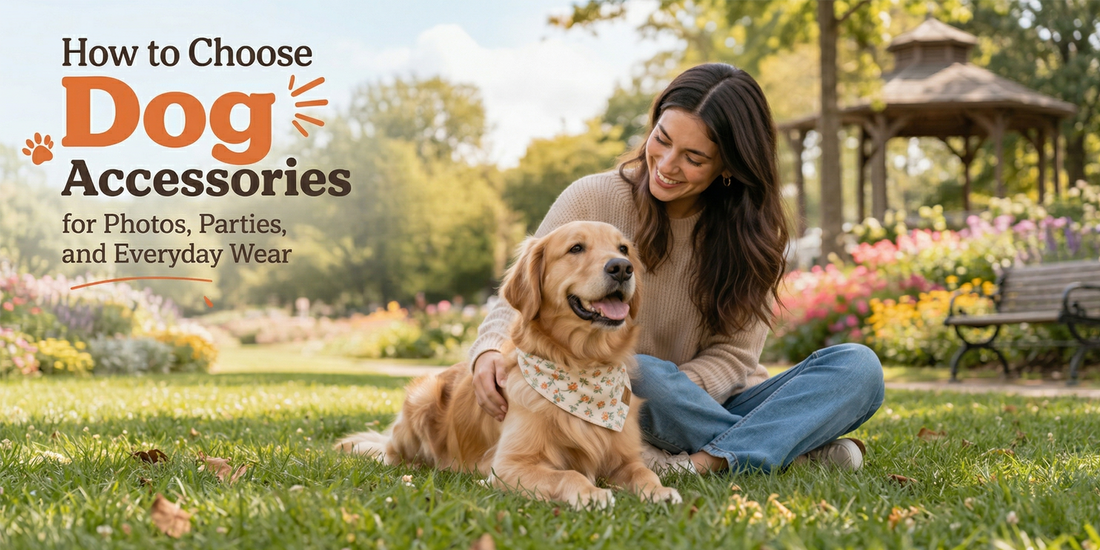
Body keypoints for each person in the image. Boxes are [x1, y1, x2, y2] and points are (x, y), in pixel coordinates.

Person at [468, 63, 884, 474]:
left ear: (728, 167)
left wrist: (678, 396)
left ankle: (704, 462)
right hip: (610, 391)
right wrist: (487, 349)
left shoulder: (754, 237)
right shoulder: (592, 198)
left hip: (703, 401)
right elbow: (528, 288)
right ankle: (786, 448)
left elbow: (734, 356)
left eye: (693, 158)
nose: (666, 164)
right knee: (640, 373)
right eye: (661, 140)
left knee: (858, 368)